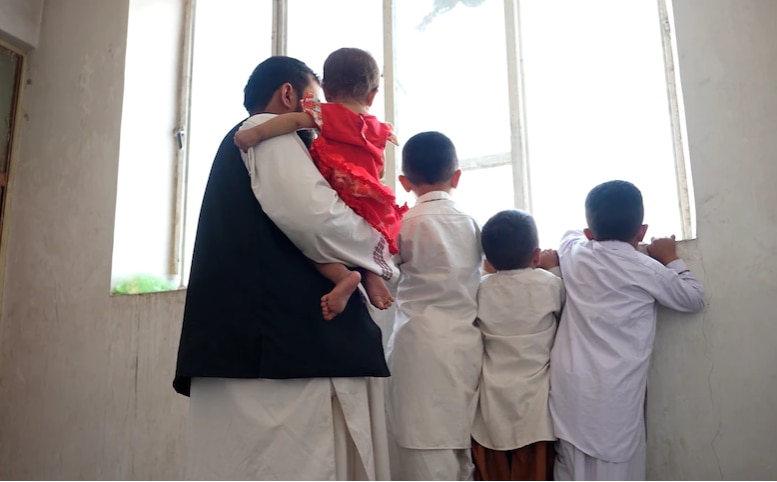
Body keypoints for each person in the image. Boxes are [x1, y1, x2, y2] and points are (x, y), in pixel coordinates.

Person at [172, 56, 394, 480]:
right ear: (288, 94)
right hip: (280, 358)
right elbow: (315, 217)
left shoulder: (257, 140)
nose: (321, 108)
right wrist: (383, 248)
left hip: (260, 355)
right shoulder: (265, 136)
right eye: (315, 94)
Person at [549, 180, 706, 481]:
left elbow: (567, 236)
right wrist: (670, 256)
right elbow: (694, 298)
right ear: (642, 232)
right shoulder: (645, 268)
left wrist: (585, 236)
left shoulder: (577, 253)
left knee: (568, 470)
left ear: (589, 233)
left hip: (568, 398)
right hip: (613, 405)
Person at [234, 47, 405, 320]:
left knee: (317, 252)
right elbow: (314, 220)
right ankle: (369, 272)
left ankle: (351, 274)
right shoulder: (377, 128)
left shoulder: (321, 118)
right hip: (370, 199)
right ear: (288, 94)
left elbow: (312, 226)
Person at [385, 131, 483, 480]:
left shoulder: (403, 224)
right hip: (465, 349)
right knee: (463, 455)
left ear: (403, 181)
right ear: (456, 177)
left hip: (417, 350)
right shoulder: (472, 224)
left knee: (420, 454)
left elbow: (385, 272)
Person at [471, 209, 564, 481]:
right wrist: (553, 267)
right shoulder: (550, 284)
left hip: (490, 414)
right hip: (536, 415)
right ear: (536, 255)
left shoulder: (480, 289)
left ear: (487, 260)